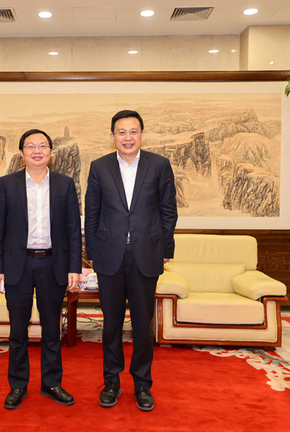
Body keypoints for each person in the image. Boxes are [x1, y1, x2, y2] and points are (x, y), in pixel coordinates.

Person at [84, 110, 177, 412]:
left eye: (133, 131)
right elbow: (92, 212)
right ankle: (111, 382)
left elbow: (168, 210)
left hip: (145, 255)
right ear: (112, 136)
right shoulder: (99, 167)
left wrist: (166, 248)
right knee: (110, 325)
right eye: (121, 132)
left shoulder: (159, 165)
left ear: (142, 134)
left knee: (142, 325)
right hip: (109, 256)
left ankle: (142, 383)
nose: (127, 137)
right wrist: (92, 253)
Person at [0, 129, 82, 410]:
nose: (37, 151)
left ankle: (51, 383)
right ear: (22, 153)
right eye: (31, 146)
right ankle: (18, 385)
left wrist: (74, 267)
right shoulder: (6, 185)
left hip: (53, 264)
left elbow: (73, 230)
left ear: (51, 152)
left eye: (43, 146)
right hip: (17, 265)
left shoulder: (65, 184)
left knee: (52, 329)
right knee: (18, 330)